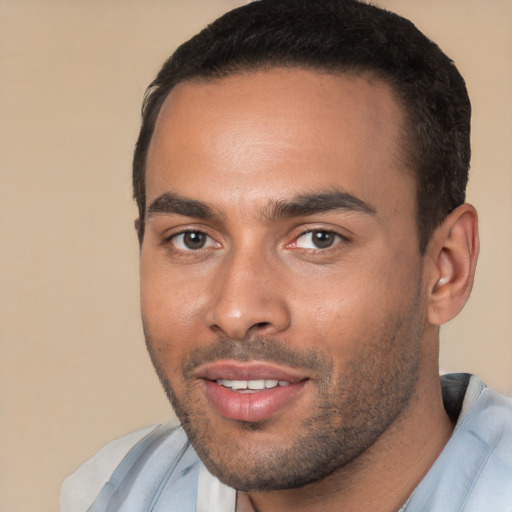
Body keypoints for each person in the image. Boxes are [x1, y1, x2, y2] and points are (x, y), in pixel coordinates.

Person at [60, 0, 512, 510]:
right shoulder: (113, 492)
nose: (235, 312)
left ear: (446, 269)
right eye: (192, 239)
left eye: (319, 238)